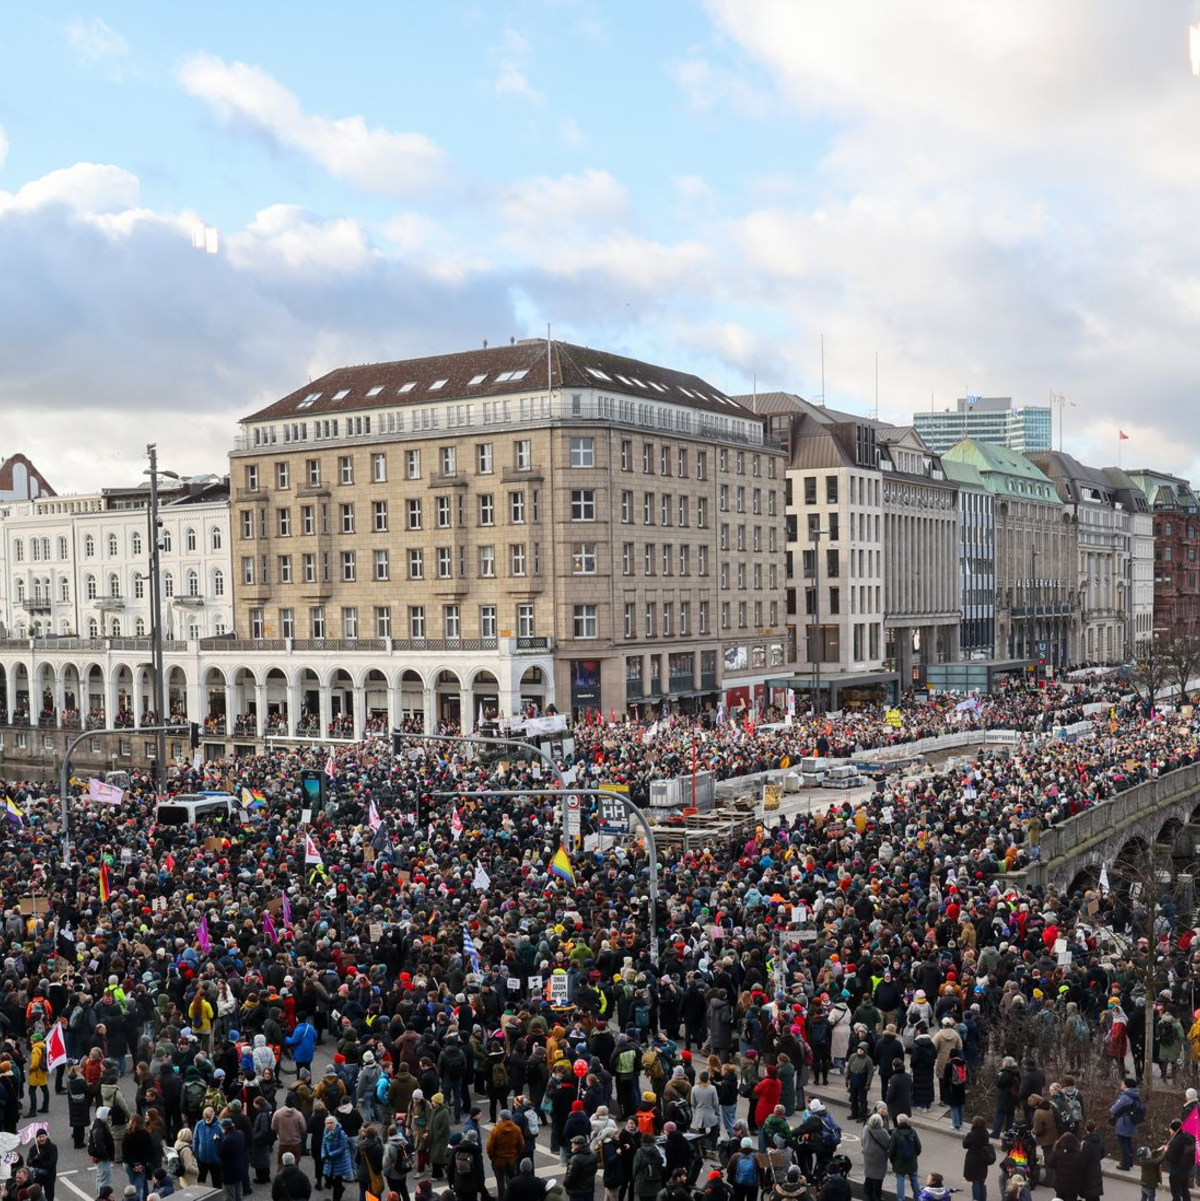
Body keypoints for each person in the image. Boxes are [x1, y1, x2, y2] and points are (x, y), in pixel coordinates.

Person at [488, 1109, 526, 1199]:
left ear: (501, 1118)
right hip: (511, 1160)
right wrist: (516, 1154)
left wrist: (492, 1156)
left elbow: (489, 1147)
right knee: (511, 1179)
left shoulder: (496, 1130)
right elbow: (521, 1144)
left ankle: (502, 1198)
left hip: (498, 1160)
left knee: (500, 1182)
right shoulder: (516, 1129)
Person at [1110, 1077, 1144, 1172]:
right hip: (1131, 1122)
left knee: (1123, 1143)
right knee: (1128, 1142)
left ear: (1126, 1086)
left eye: (1123, 1083)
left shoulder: (1125, 1097)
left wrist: (1112, 1108)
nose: (1121, 1085)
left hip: (1124, 1123)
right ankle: (1129, 1161)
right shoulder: (1135, 1095)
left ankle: (1125, 1164)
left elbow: (1114, 1109)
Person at [888, 1114, 921, 1201]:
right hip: (912, 1161)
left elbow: (892, 1150)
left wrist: (892, 1160)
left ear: (898, 1122)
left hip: (899, 1161)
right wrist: (914, 1156)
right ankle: (918, 1197)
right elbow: (918, 1146)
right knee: (914, 1178)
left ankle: (901, 1199)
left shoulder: (895, 1134)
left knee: (900, 1179)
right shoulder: (912, 1132)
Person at [322, 1117, 354, 1201]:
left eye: (331, 1123)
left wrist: (330, 1154)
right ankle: (340, 1189)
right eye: (328, 1123)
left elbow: (343, 1148)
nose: (329, 1124)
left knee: (337, 1182)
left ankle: (336, 1198)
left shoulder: (341, 1133)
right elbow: (323, 1144)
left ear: (335, 1124)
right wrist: (323, 1155)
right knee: (327, 1177)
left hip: (339, 1161)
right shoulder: (325, 1132)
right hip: (329, 1160)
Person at [961, 1116, 993, 1201]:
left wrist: (964, 1139)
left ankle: (976, 1199)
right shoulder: (985, 1133)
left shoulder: (971, 1135)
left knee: (975, 1182)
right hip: (983, 1160)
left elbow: (965, 1145)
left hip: (973, 1161)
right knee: (981, 1181)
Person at [124, 1115, 155, 1201]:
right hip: (141, 1163)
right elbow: (150, 1152)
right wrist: (142, 1164)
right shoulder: (146, 1135)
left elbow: (125, 1153)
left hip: (129, 1164)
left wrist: (133, 1165)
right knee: (139, 1185)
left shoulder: (127, 1135)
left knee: (134, 1183)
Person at [1163, 1118, 1196, 1201]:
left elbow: (1172, 1158)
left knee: (1176, 1193)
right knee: (1185, 1190)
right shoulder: (1188, 1137)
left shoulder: (1175, 1141)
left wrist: (1166, 1152)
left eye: (1171, 1129)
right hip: (1186, 1169)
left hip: (1176, 1171)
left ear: (1175, 1129)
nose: (1170, 1130)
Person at [862, 1113, 891, 1201]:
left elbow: (863, 1140)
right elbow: (888, 1144)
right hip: (879, 1157)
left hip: (868, 1155)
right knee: (878, 1177)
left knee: (869, 1174)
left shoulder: (866, 1129)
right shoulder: (883, 1132)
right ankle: (877, 1195)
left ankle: (868, 1192)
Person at [91, 1108, 117, 1197]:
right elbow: (99, 1145)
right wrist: (106, 1156)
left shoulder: (98, 1124)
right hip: (103, 1159)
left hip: (100, 1158)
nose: (110, 1117)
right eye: (108, 1115)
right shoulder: (100, 1128)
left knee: (100, 1179)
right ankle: (102, 1197)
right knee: (104, 1181)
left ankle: (100, 1196)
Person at [1050, 1132, 1084, 1201]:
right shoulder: (1079, 1154)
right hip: (1074, 1186)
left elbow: (1051, 1164)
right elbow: (1082, 1167)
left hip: (1060, 1185)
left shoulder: (1057, 1152)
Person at [219, 1118, 247, 1201]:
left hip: (229, 1173)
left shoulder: (228, 1139)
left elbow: (220, 1152)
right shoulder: (241, 1134)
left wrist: (217, 1141)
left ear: (225, 1128)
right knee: (238, 1194)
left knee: (229, 1196)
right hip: (239, 1169)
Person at [564, 1135, 599, 1201]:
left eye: (573, 1144)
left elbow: (570, 1177)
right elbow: (594, 1170)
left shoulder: (575, 1159)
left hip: (577, 1192)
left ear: (577, 1145)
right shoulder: (592, 1155)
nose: (571, 1145)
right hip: (589, 1189)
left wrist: (567, 1186)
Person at [725, 1136, 757, 1201]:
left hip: (738, 1183)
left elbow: (729, 1170)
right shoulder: (756, 1156)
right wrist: (762, 1184)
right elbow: (761, 1171)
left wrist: (732, 1180)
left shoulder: (735, 1156)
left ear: (741, 1145)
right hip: (753, 1185)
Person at [29, 1130, 58, 1201]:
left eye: (43, 1136)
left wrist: (41, 1161)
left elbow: (52, 1162)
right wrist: (35, 1158)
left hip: (49, 1175)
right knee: (36, 1195)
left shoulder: (52, 1147)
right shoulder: (33, 1148)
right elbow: (29, 1163)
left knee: (49, 1195)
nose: (42, 1139)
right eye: (39, 1137)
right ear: (36, 1138)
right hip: (38, 1176)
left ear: (46, 1136)